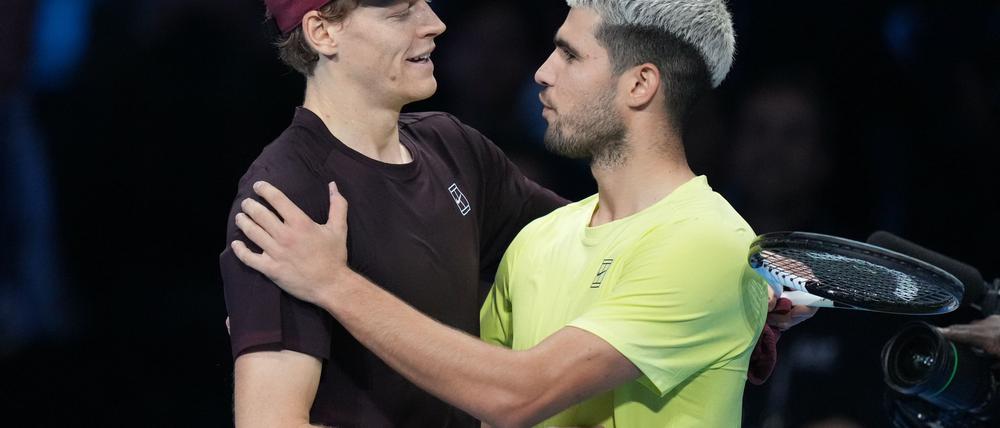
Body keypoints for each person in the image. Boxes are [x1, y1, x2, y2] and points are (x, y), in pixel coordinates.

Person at [231, 0, 792, 426]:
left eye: (569, 54)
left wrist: (742, 287)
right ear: (321, 31)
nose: (435, 22)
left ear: (642, 83)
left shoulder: (458, 152)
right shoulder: (283, 197)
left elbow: (639, 242)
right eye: (402, 10)